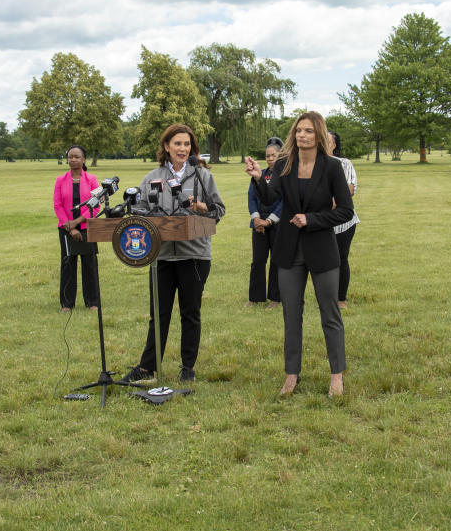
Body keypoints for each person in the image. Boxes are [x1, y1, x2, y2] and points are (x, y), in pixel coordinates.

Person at [245, 111, 354, 397]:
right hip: (289, 249)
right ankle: (292, 375)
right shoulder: (284, 164)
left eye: (307, 131)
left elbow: (345, 210)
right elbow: (270, 198)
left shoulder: (331, 167)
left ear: (318, 134)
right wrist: (259, 179)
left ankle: (336, 376)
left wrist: (312, 219)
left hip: (322, 249)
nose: (301, 135)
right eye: (298, 131)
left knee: (330, 314)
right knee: (291, 316)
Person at [122, 124, 225, 383]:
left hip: (195, 256)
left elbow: (218, 211)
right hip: (162, 257)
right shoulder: (151, 177)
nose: (182, 149)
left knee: (190, 312)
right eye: (177, 144)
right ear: (166, 146)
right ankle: (148, 367)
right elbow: (139, 210)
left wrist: (202, 207)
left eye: (187, 144)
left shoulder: (202, 176)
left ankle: (187, 368)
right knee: (159, 313)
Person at [53, 145, 101, 312]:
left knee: (90, 265)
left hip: (87, 227)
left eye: (77, 157)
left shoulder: (92, 180)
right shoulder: (60, 180)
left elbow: (96, 206)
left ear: (83, 159)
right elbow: (58, 205)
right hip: (66, 230)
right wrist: (70, 227)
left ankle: (92, 302)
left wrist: (78, 222)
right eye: (70, 157)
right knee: (68, 265)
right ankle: (67, 304)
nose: (73, 159)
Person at [247, 137, 284, 308]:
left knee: (277, 261)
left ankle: (276, 299)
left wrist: (269, 221)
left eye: (273, 155)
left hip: (277, 224)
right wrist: (256, 218)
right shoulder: (259, 174)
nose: (269, 159)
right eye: (267, 156)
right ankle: (255, 298)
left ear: (281, 156)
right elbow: (252, 197)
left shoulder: (284, 176)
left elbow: (285, 202)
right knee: (258, 260)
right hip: (258, 224)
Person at [328, 131, 360, 309]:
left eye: (327, 139)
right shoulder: (313, 163)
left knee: (341, 258)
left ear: (334, 145)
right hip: (322, 222)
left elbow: (350, 189)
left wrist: (328, 204)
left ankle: (341, 299)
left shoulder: (344, 163)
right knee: (325, 261)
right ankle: (327, 297)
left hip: (343, 222)